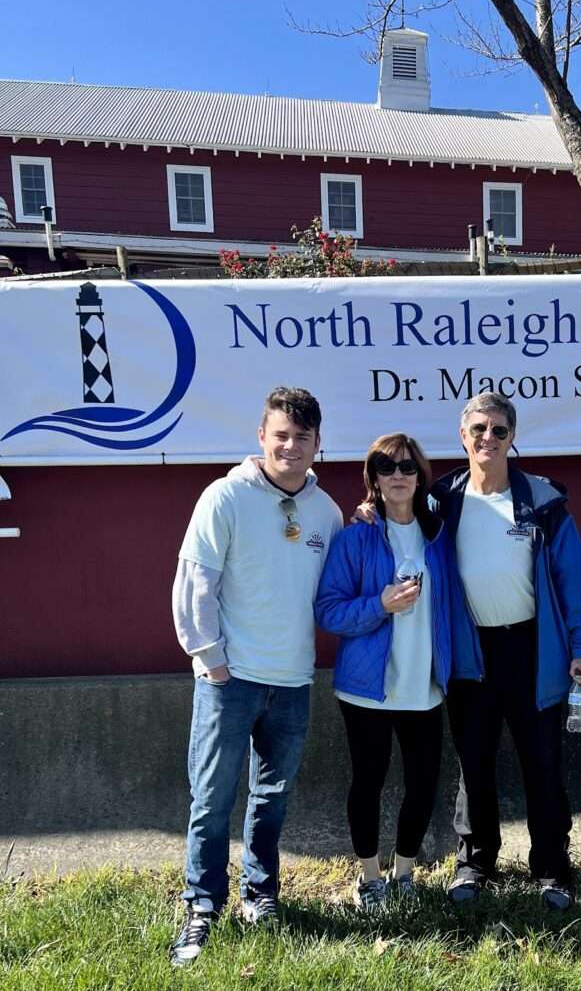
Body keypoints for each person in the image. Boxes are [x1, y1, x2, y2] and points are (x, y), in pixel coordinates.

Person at [168, 387, 343, 967]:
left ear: (319, 444)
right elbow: (195, 582)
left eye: (302, 437)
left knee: (272, 797)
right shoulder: (224, 498)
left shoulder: (327, 512)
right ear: (262, 438)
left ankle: (260, 895)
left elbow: (336, 592)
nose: (291, 446)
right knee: (213, 799)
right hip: (230, 678)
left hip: (292, 681)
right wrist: (210, 658)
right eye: (281, 435)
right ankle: (202, 906)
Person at [440, 392, 581, 910]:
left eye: (499, 430)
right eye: (479, 429)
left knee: (543, 766)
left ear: (513, 438)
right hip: (472, 654)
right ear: (463, 436)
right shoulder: (441, 502)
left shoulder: (543, 502)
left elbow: (574, 581)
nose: (488, 438)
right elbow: (397, 524)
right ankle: (474, 862)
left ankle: (553, 868)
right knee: (475, 764)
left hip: (533, 650)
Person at [314, 433, 476, 911]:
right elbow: (328, 611)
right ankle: (369, 877)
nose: (399, 475)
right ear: (374, 479)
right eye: (387, 468)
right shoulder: (356, 536)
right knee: (368, 781)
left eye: (408, 468)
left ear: (421, 477)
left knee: (423, 783)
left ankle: (404, 873)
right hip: (367, 689)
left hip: (424, 686)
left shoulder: (439, 537)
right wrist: (379, 605)